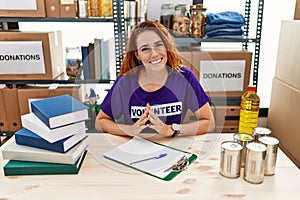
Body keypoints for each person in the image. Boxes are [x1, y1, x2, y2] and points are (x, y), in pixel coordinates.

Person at [95, 21, 215, 137]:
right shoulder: (125, 82)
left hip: (174, 148)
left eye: (158, 45)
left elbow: (209, 123)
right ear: (137, 55)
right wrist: (129, 130)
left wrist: (171, 129)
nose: (154, 54)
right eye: (145, 49)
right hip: (134, 150)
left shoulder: (185, 77)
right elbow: (100, 122)